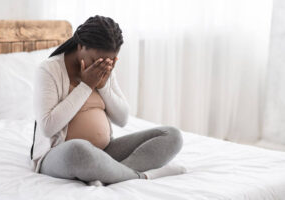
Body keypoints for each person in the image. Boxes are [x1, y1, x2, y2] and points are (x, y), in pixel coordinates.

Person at [31, 15, 186, 186]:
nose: (101, 66)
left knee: (172, 136)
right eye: (95, 60)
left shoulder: (105, 68)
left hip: (105, 151)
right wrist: (86, 86)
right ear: (81, 46)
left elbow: (122, 119)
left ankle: (107, 174)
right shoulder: (49, 70)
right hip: (60, 154)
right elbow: (47, 127)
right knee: (79, 149)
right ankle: (141, 177)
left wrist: (103, 86)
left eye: (109, 61)